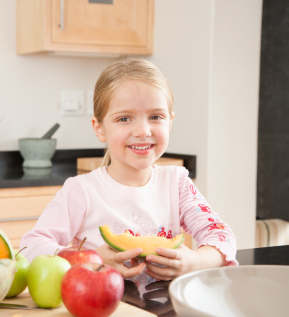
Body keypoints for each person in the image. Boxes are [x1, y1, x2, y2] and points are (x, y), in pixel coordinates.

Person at [20, 57, 238, 280]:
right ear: (99, 128)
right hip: (101, 309)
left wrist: (196, 261)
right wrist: (90, 259)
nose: (143, 130)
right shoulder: (81, 191)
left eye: (155, 117)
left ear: (170, 122)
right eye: (124, 118)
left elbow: (222, 236)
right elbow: (30, 248)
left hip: (164, 311)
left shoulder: (177, 183)